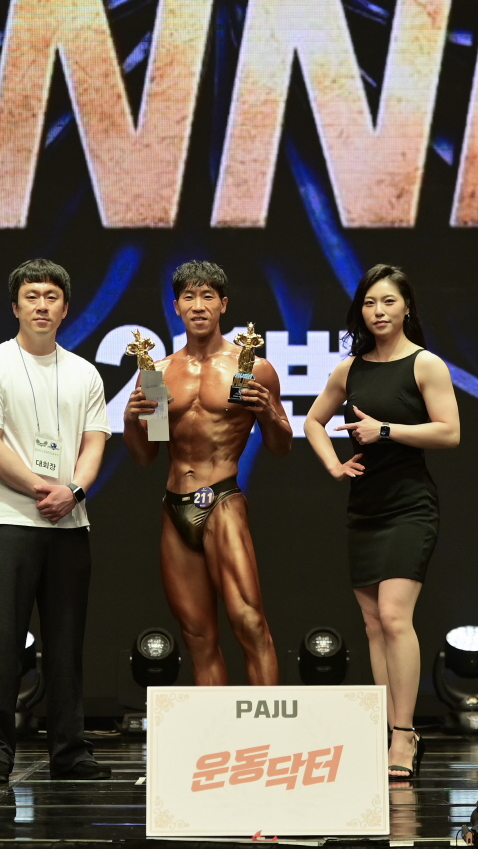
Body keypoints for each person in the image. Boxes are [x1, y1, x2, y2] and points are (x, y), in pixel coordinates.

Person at [303, 264, 460, 781]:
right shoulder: (350, 369)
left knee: (394, 617)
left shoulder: (425, 364)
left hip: (410, 504)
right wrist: (333, 464)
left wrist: (386, 430)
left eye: (389, 301)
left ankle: (404, 735)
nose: (379, 311)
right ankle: (385, 729)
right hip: (364, 505)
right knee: (373, 625)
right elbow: (313, 421)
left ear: (406, 307)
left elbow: (449, 432)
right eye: (370, 303)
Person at [0, 258, 112, 784]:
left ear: (66, 309)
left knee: (66, 644)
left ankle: (69, 750)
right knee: (2, 642)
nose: (41, 306)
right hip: (11, 520)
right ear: (15, 306)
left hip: (71, 524)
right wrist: (40, 489)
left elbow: (95, 443)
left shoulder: (85, 373)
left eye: (51, 297)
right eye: (32, 296)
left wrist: (73, 491)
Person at [124, 261, 294, 685]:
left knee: (249, 622)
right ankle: (215, 726)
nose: (198, 306)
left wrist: (268, 411)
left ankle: (267, 724)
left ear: (223, 305)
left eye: (207, 297)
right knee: (197, 635)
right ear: (176, 307)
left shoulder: (251, 367)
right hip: (174, 506)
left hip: (221, 499)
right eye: (189, 297)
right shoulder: (157, 373)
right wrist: (130, 420)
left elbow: (281, 446)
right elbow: (147, 454)